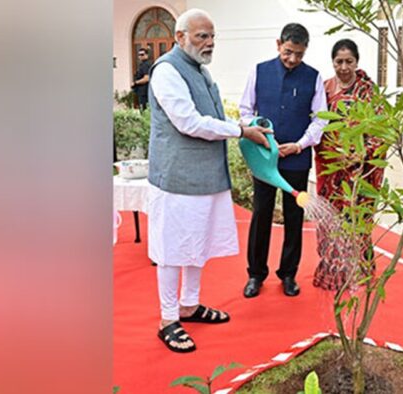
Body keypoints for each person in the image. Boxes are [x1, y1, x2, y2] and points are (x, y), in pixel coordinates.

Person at [147, 9, 271, 353]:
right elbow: (189, 122)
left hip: (205, 178)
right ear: (179, 37)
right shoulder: (167, 71)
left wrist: (242, 127)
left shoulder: (200, 71)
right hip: (176, 180)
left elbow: (212, 116)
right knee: (172, 250)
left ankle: (190, 305)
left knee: (196, 244)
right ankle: (169, 318)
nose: (210, 42)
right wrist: (240, 130)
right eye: (202, 36)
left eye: (212, 36)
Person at [239, 23, 328, 298]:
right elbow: (245, 110)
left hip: (297, 160)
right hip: (264, 157)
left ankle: (288, 274)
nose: (292, 59)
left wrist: (300, 145)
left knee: (294, 216)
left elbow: (320, 120)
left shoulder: (313, 77)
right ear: (279, 44)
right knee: (261, 214)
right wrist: (256, 135)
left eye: (299, 54)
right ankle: (256, 274)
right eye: (288, 52)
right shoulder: (259, 71)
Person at [313, 38, 385, 291]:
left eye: (349, 61)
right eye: (338, 61)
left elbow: (380, 129)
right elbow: (317, 122)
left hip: (360, 170)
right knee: (330, 218)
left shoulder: (368, 90)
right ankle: (332, 270)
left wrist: (363, 154)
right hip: (330, 167)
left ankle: (358, 271)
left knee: (357, 219)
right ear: (332, 62)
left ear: (357, 62)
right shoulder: (324, 88)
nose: (343, 67)